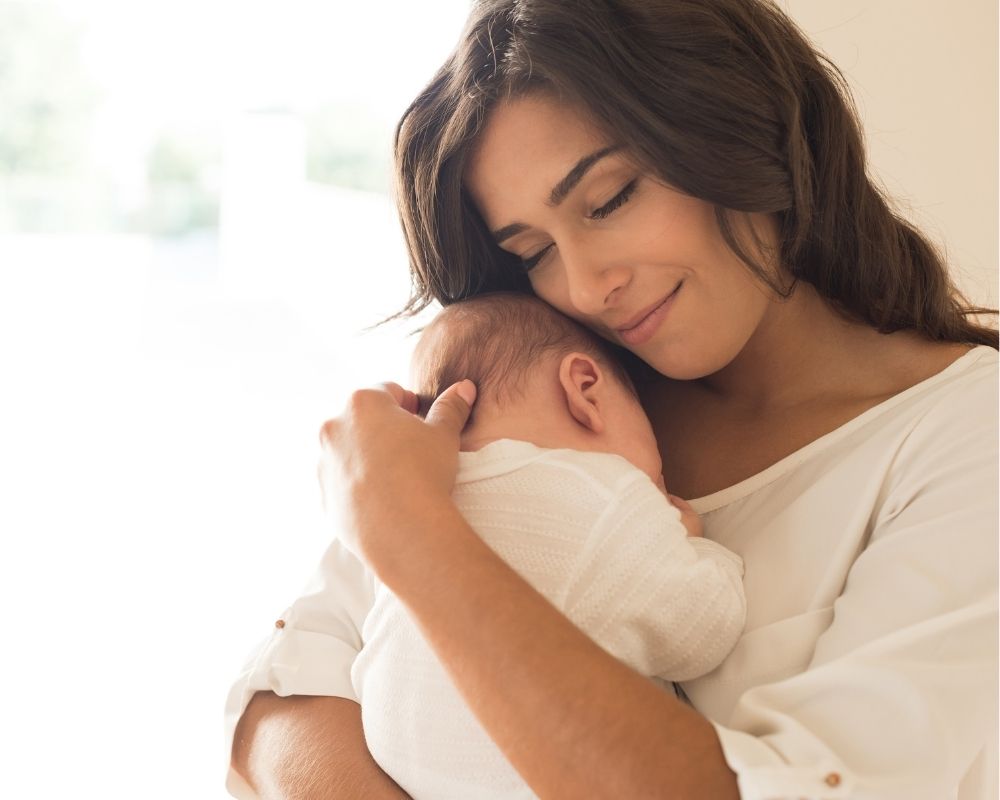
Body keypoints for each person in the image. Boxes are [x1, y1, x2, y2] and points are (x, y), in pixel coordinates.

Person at [227, 1, 999, 798]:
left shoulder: (965, 437)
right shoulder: (550, 399)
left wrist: (412, 535)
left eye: (609, 199)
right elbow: (277, 712)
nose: (588, 287)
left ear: (738, 125)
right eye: (533, 252)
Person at [351, 292, 746, 799]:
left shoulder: (411, 503)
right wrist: (696, 546)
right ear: (586, 389)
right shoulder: (602, 494)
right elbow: (702, 632)